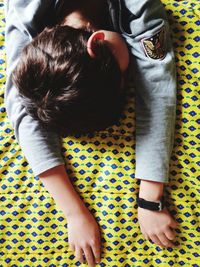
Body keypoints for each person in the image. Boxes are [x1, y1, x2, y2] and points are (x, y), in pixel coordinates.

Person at [5, 0, 178, 266]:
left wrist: (150, 197)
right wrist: (73, 212)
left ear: (98, 42)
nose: (129, 73)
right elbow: (21, 107)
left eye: (124, 75)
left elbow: (157, 86)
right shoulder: (25, 18)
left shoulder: (140, 6)